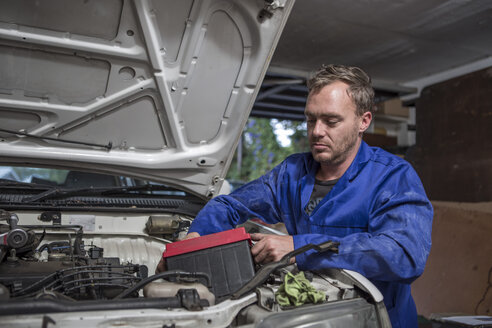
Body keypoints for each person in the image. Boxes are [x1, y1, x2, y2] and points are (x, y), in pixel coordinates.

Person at [157, 64, 433, 328]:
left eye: (331, 120)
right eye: (311, 119)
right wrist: (195, 240)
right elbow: (230, 205)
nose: (316, 131)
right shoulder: (292, 173)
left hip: (376, 320)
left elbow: (404, 256)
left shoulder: (393, 177)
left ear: (364, 121)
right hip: (311, 313)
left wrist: (300, 247)